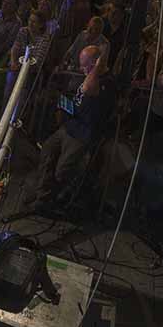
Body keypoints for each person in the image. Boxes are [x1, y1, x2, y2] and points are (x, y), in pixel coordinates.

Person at [26, 45, 115, 210]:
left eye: (85, 64)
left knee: (62, 170)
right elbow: (79, 100)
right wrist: (63, 105)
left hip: (82, 133)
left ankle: (54, 199)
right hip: (70, 125)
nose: (82, 69)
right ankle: (42, 194)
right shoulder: (89, 75)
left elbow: (88, 88)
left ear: (96, 64)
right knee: (47, 151)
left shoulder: (105, 81)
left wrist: (98, 64)